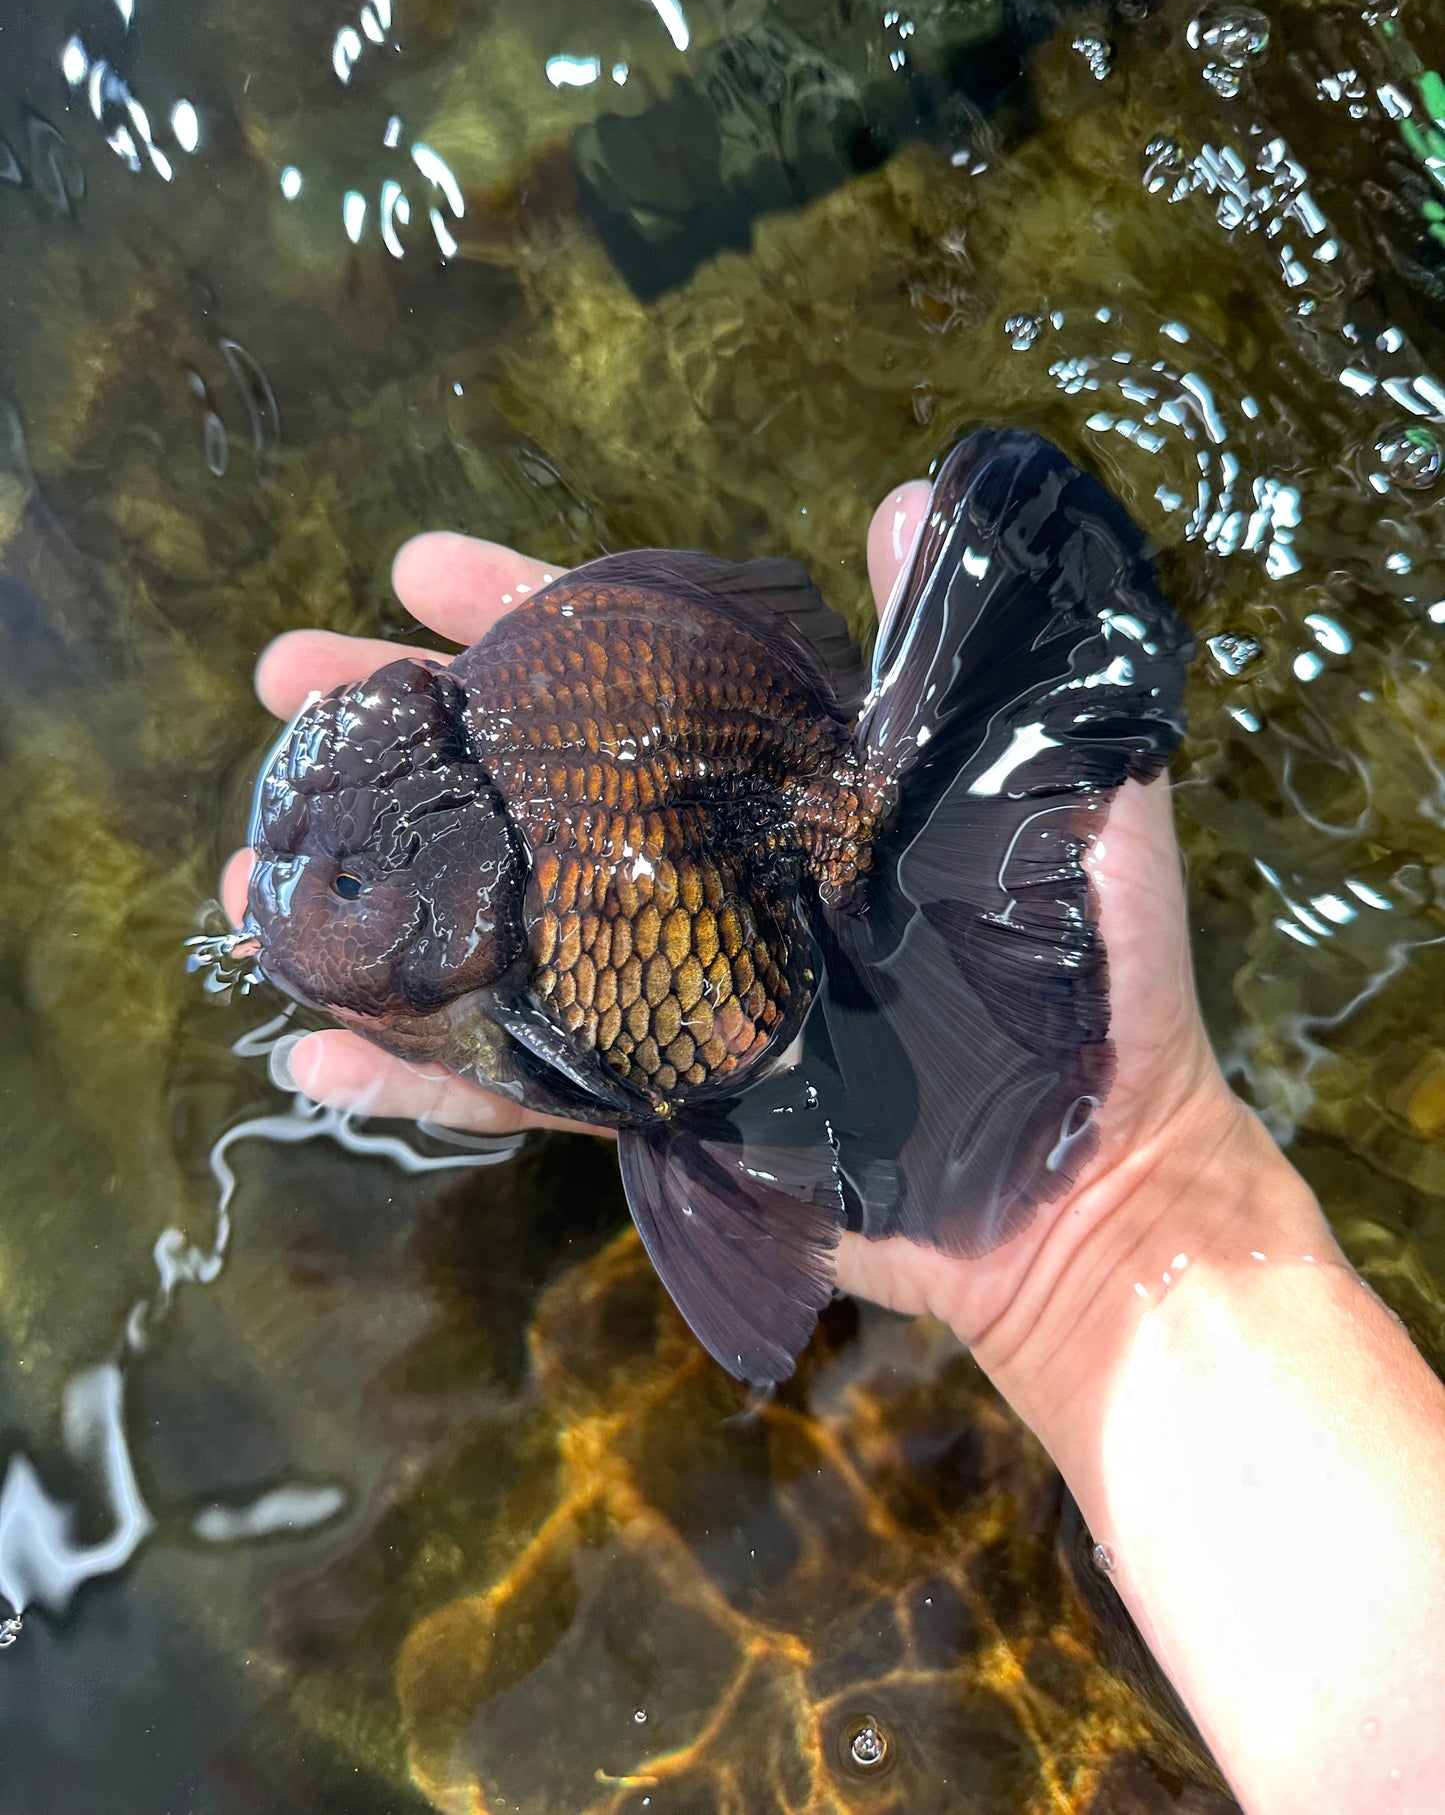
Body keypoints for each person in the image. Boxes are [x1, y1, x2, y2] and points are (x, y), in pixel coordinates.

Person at [222, 478, 1445, 1815]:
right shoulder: (491, 858)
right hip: (725, 764)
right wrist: (1118, 1244)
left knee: (659, 1092)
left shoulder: (528, 976)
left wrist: (1118, 1224)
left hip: (766, 870)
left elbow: (651, 1104)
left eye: (345, 886)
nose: (285, 890)